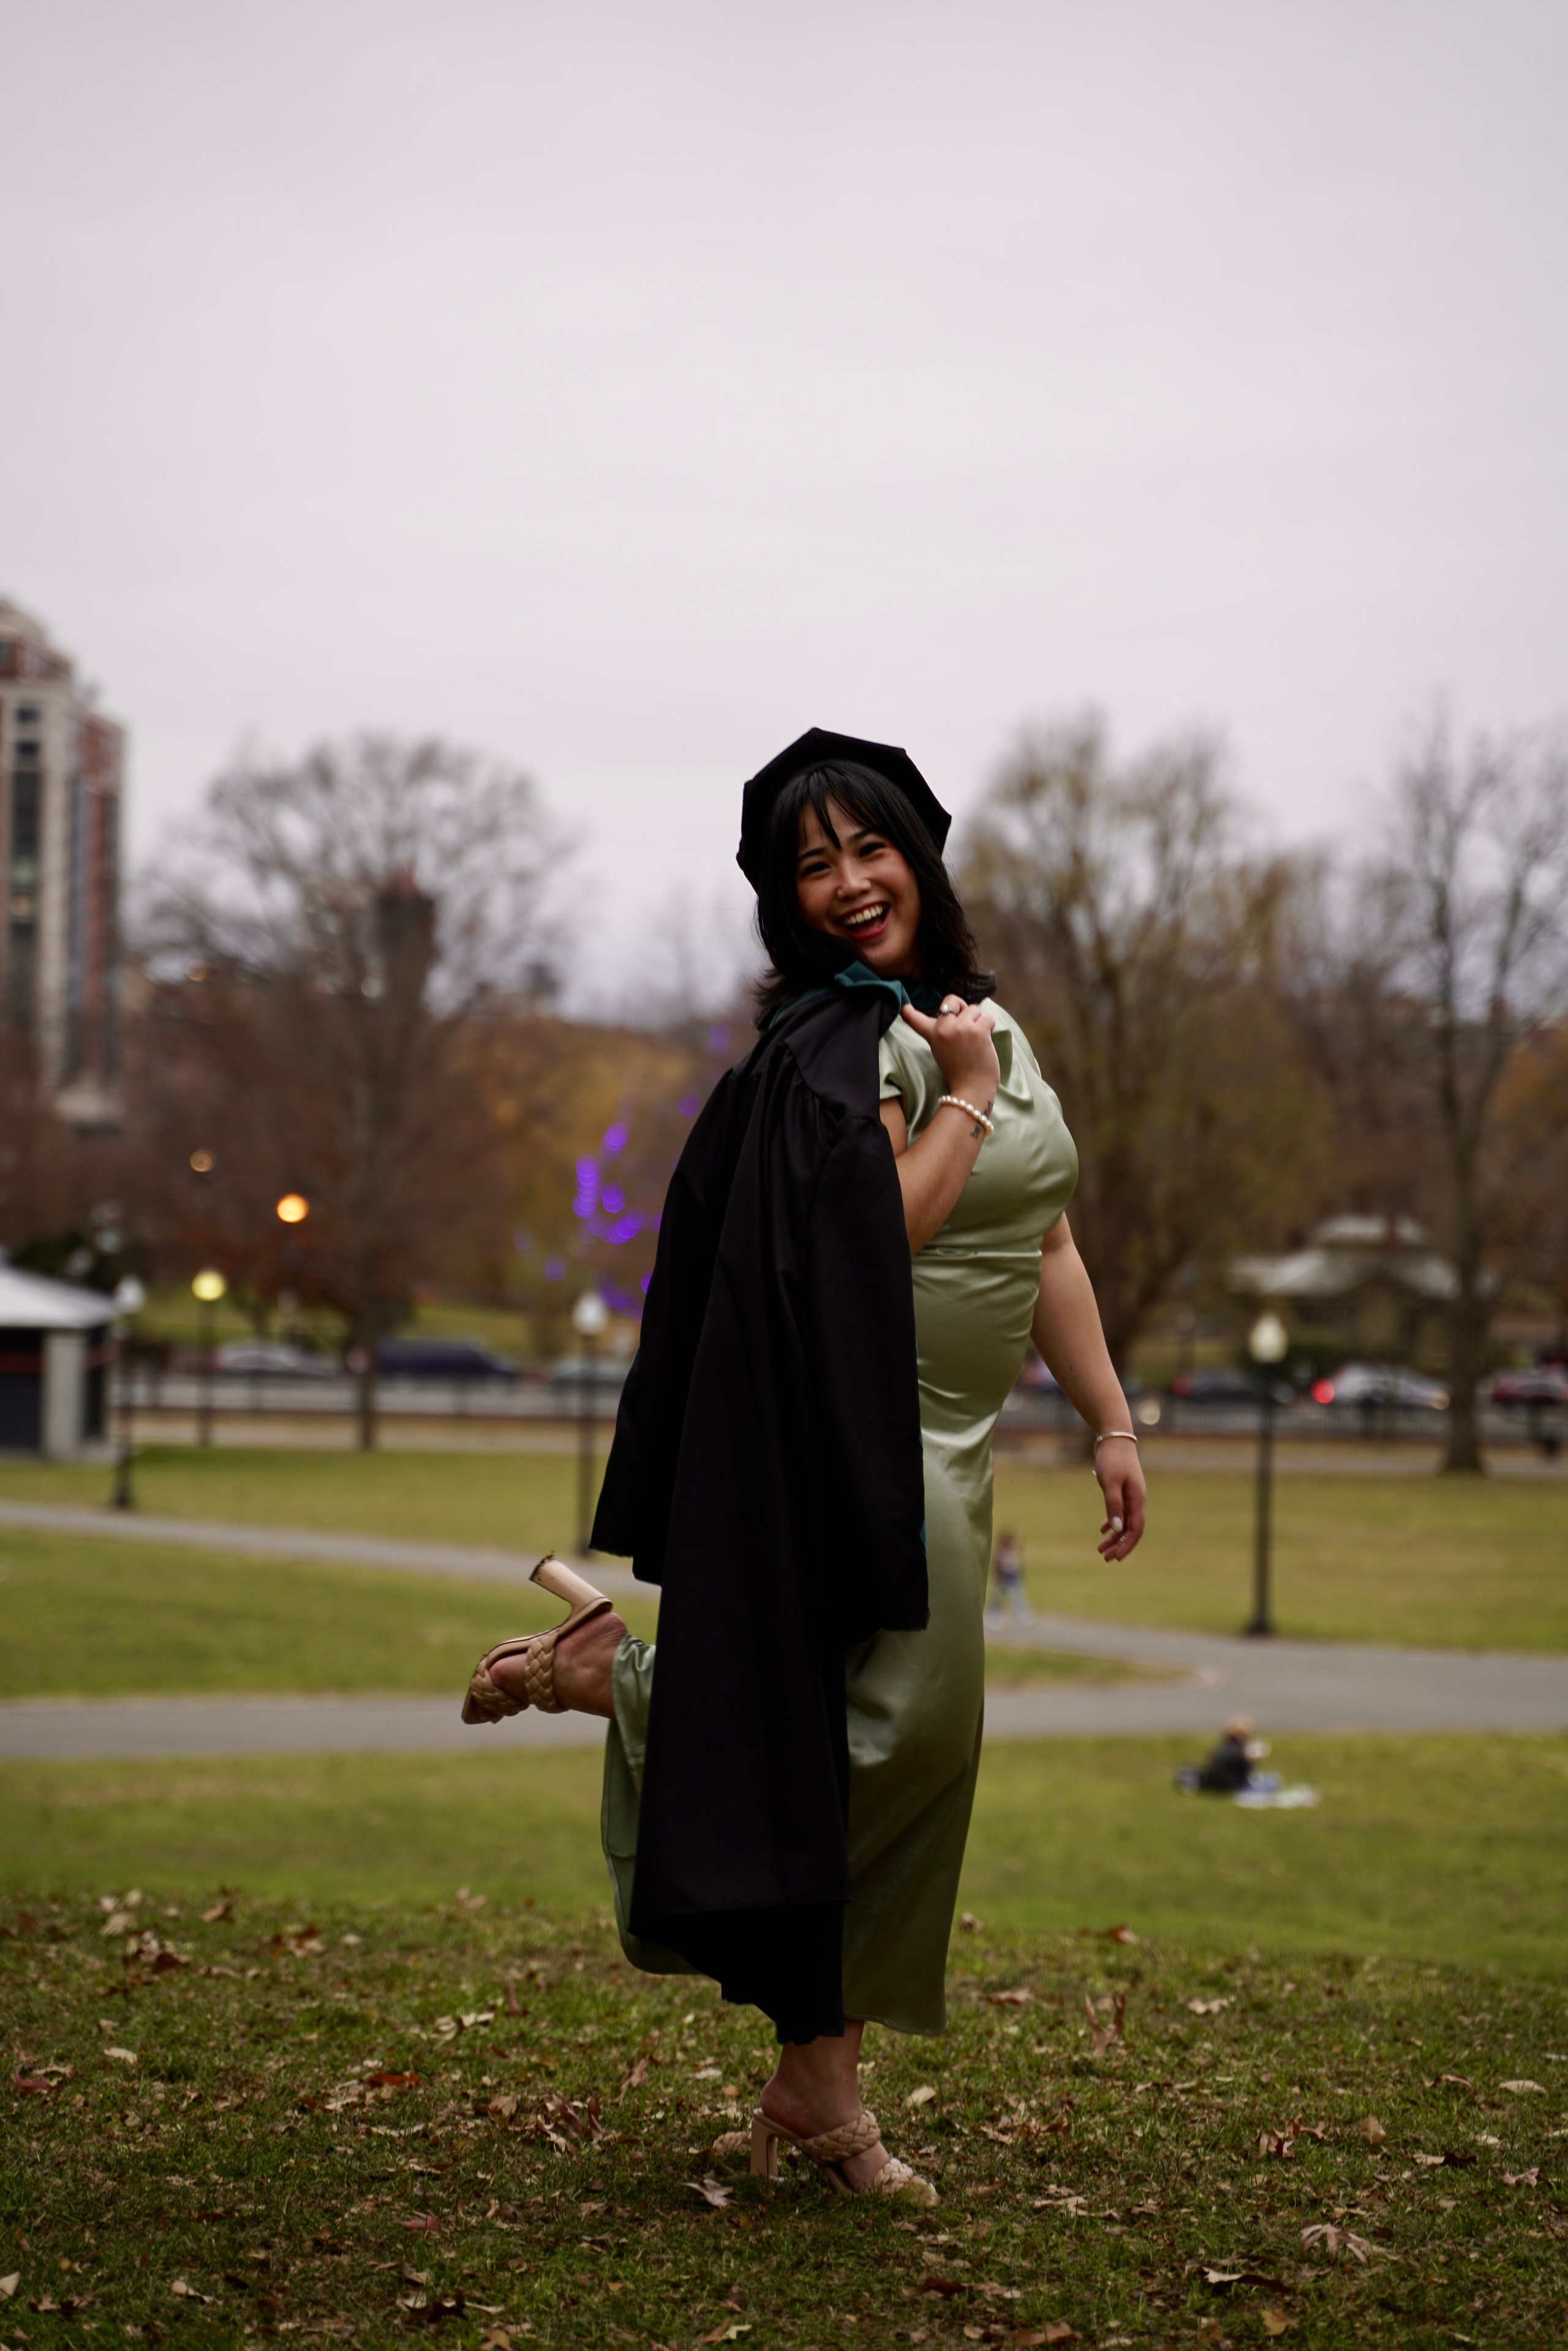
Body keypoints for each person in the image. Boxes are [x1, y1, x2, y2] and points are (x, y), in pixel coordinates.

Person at [461, 728, 1146, 2206]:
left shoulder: (978, 1025)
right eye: (811, 864)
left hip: (958, 1454)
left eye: (867, 847)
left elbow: (1045, 1241)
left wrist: (1107, 1420)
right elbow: (863, 1238)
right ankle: (632, 1691)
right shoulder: (848, 1047)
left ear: (918, 852)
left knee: (913, 1755)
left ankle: (811, 2076)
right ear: (785, 899)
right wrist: (956, 1095)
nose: (845, 883)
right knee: (879, 1748)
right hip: (850, 1438)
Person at [987, 1529, 1030, 1624]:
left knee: (1018, 1596)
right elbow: (997, 1566)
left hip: (1013, 1576)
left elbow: (1019, 1564)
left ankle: (1021, 1613)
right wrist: (997, 1578)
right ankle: (994, 1614)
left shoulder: (1015, 1550)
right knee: (998, 1597)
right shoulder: (1001, 1551)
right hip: (1003, 1577)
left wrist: (1021, 1575)